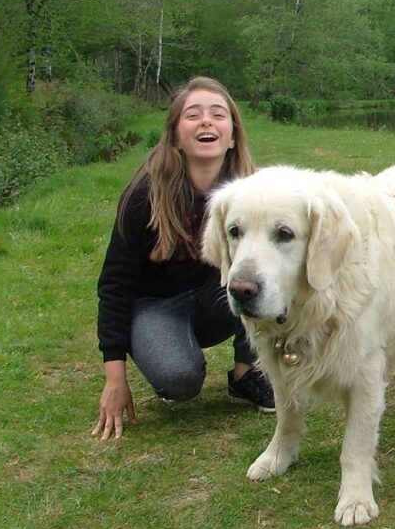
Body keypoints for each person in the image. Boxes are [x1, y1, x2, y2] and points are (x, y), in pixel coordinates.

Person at [92, 76, 274, 441]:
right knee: (180, 381)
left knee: (260, 277)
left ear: (233, 135)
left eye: (218, 114)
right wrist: (115, 379)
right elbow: (115, 285)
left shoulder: (253, 192)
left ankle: (246, 372)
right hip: (157, 305)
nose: (206, 121)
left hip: (217, 296)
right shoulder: (144, 194)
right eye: (193, 115)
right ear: (175, 136)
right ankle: (168, 348)